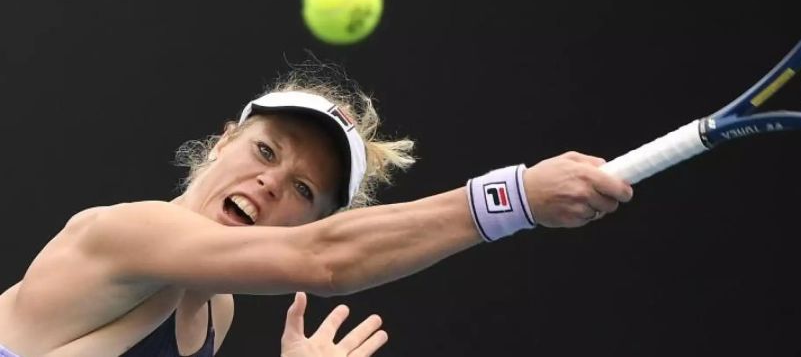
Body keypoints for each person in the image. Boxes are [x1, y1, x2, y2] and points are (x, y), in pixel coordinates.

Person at [0, 64, 633, 356]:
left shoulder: (214, 312)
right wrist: (513, 198)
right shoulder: (127, 233)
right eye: (265, 150)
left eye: (304, 191)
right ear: (223, 141)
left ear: (310, 219)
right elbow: (324, 259)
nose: (272, 183)